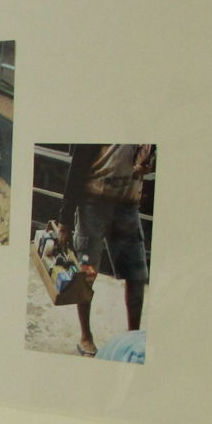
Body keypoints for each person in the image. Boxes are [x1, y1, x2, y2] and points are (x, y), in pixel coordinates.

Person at [59, 143, 154, 357]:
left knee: (137, 277)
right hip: (93, 201)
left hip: (128, 205)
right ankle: (86, 336)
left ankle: (133, 337)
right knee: (86, 273)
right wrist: (65, 220)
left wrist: (147, 162)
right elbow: (77, 169)